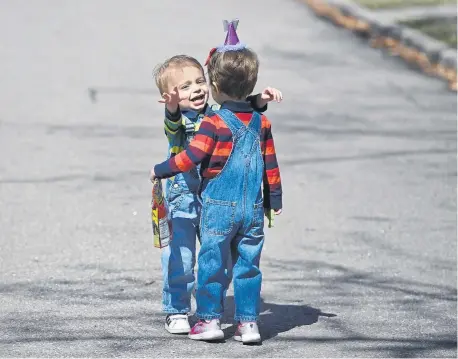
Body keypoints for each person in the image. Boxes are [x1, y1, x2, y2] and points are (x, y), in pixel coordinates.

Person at [150, 19, 283, 343]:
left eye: (199, 81)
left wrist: (259, 100)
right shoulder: (179, 121)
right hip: (183, 198)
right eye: (185, 87)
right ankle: (177, 309)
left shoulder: (214, 115)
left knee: (217, 256)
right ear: (170, 96)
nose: (195, 89)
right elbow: (173, 131)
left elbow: (237, 108)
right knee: (180, 257)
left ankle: (211, 313)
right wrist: (171, 112)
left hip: (212, 200)